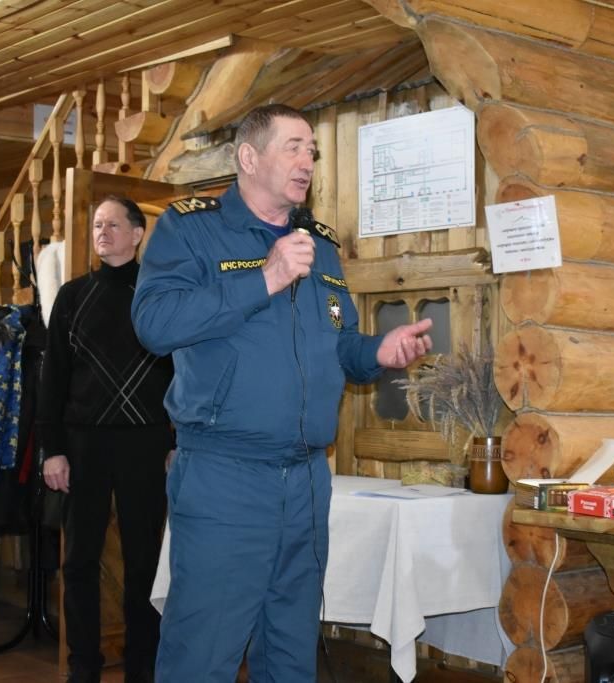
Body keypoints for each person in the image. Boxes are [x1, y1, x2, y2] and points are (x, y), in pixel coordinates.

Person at [132, 104, 433, 682]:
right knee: (203, 653)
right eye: (293, 147)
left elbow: (340, 343)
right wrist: (265, 278)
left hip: (306, 480)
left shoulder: (318, 243)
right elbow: (154, 324)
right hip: (225, 476)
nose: (308, 161)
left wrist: (379, 352)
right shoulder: (190, 228)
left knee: (291, 654)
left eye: (312, 150)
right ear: (249, 157)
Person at [38, 196, 174, 683]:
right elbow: (52, 378)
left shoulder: (159, 295)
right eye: (98, 224)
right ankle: (83, 666)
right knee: (78, 560)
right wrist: (52, 450)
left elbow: (182, 372)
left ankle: (142, 667)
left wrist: (178, 441)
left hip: (147, 443)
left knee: (144, 562)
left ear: (137, 234)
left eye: (113, 225)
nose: (102, 232)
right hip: (82, 444)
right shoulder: (72, 296)